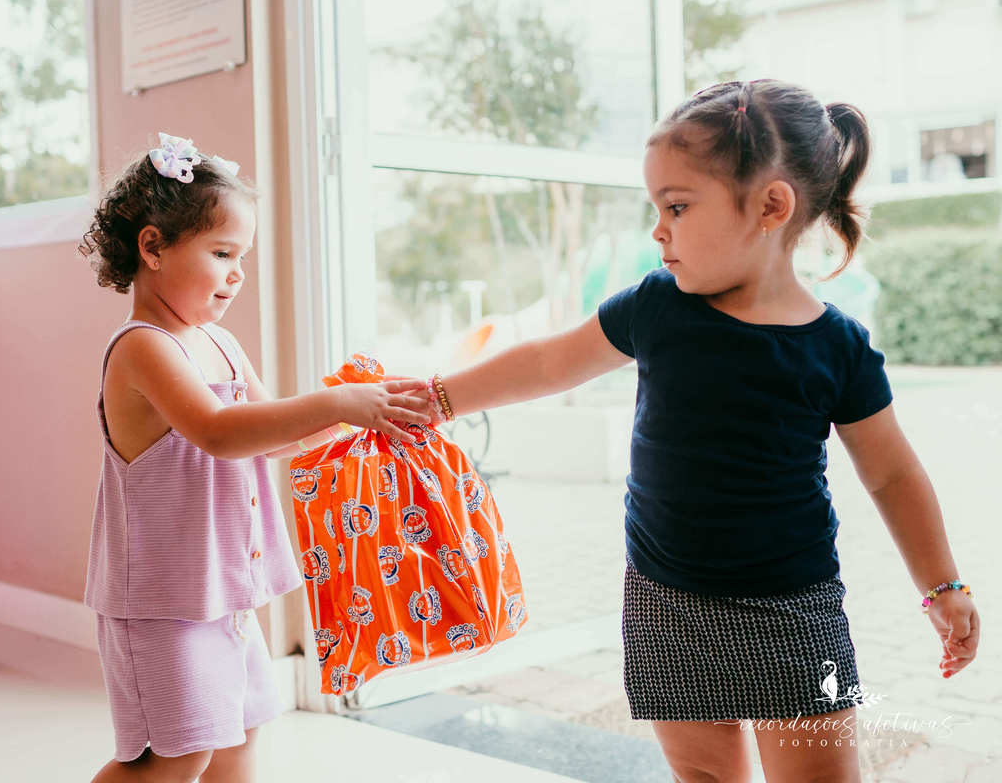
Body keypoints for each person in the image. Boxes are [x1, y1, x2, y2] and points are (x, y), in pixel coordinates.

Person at [420, 81, 980, 782]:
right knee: (706, 777)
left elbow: (893, 474)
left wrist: (942, 586)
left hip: (792, 610)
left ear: (772, 206)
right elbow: (548, 360)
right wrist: (439, 396)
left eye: (677, 207)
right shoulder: (658, 306)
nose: (659, 230)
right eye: (656, 208)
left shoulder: (837, 346)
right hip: (664, 598)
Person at [78, 133, 430, 783]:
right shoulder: (143, 347)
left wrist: (357, 419)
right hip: (162, 600)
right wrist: (339, 403)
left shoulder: (220, 343)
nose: (237, 273)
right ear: (152, 247)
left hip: (222, 589)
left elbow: (271, 438)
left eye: (242, 256)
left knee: (240, 737)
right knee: (173, 755)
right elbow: (218, 431)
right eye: (221, 253)